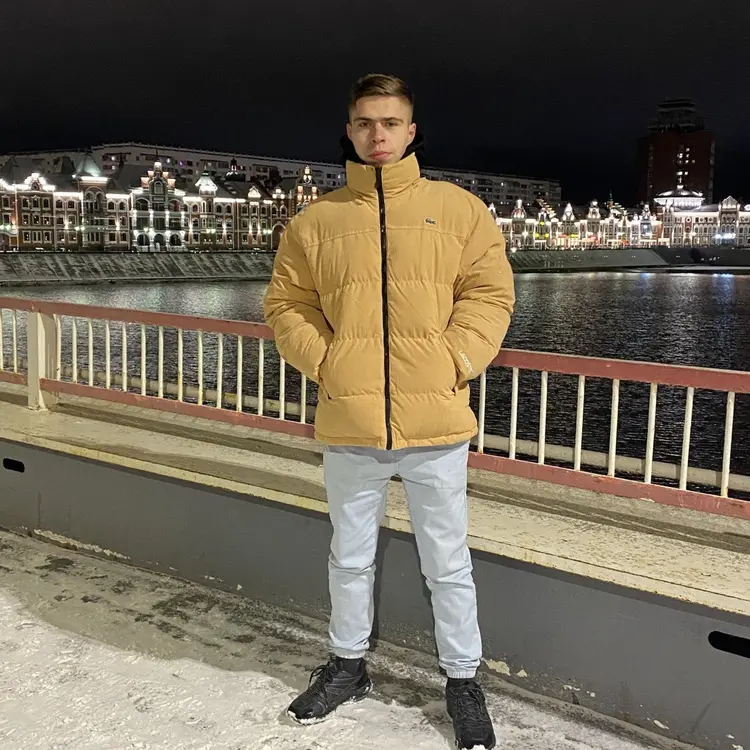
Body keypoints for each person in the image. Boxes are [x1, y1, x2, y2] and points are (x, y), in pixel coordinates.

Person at [264, 73, 515, 750]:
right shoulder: (315, 222)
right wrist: (330, 364)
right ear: (349, 131)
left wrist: (453, 360)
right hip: (351, 421)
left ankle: (463, 682)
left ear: (411, 131)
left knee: (448, 562)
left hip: (436, 424)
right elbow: (287, 306)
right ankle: (348, 667)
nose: (378, 134)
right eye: (365, 122)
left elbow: (489, 295)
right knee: (349, 557)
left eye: (391, 122)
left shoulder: (458, 210)